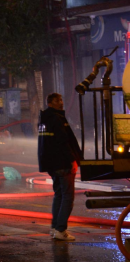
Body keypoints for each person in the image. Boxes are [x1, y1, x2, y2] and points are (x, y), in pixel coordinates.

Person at [38, 92, 81, 241]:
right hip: (63, 163)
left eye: (61, 100)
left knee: (59, 195)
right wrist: (72, 160)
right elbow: (63, 142)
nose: (61, 103)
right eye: (57, 101)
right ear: (50, 103)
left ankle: (55, 228)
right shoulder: (57, 118)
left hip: (52, 164)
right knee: (67, 197)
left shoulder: (44, 119)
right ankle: (61, 230)